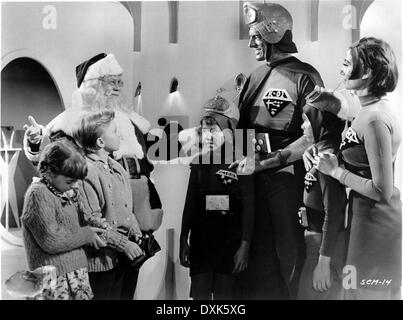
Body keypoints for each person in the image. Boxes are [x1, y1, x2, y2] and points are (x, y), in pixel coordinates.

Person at [233, 2, 343, 299]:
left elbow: (317, 138)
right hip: (252, 181)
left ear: (273, 33)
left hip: (285, 182)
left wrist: (266, 163)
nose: (250, 42)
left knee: (287, 255)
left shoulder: (305, 76)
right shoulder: (254, 76)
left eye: (255, 35)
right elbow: (243, 131)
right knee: (255, 258)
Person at [22, 53, 163, 223]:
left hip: (140, 218)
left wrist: (190, 138)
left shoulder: (129, 121)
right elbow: (51, 161)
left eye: (119, 82)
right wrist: (36, 142)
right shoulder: (71, 123)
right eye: (110, 82)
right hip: (101, 219)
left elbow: (159, 149)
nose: (117, 88)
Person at [313, 37, 401, 300]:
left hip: (376, 225)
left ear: (369, 72)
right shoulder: (367, 111)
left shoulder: (374, 119)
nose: (342, 70)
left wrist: (335, 171)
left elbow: (382, 190)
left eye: (347, 64)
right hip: (364, 218)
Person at [179, 93, 254, 300]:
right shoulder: (199, 162)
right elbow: (190, 204)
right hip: (202, 241)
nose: (208, 135)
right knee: (200, 296)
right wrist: (183, 239)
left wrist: (245, 246)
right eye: (204, 129)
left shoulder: (243, 162)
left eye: (214, 129)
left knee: (225, 297)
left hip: (230, 242)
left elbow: (249, 206)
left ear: (229, 130)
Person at [21, 140, 107, 300]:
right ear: (49, 173)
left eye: (77, 181)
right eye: (69, 181)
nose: (75, 186)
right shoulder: (38, 194)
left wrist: (94, 225)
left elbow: (75, 226)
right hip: (55, 280)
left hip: (76, 274)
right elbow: (51, 240)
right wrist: (87, 235)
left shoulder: (65, 192)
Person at [74, 110, 144, 300]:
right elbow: (92, 222)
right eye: (114, 131)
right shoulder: (86, 172)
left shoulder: (118, 168)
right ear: (100, 142)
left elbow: (127, 211)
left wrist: (136, 232)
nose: (119, 135)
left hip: (126, 259)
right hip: (102, 264)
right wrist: (124, 245)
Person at [297, 113, 347, 300]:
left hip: (323, 247)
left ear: (321, 125)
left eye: (307, 121)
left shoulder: (326, 159)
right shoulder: (319, 152)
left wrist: (324, 262)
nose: (302, 126)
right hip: (316, 244)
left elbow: (334, 213)